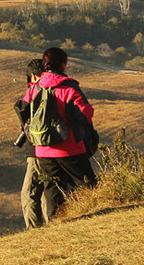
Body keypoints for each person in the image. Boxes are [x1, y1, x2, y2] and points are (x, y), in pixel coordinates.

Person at [22, 47, 96, 214]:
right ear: (63, 64)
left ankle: (57, 222)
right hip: (69, 147)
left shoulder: (35, 87)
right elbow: (86, 114)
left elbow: (24, 112)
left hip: (42, 149)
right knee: (88, 184)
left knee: (52, 190)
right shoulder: (69, 87)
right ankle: (92, 214)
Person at [15, 58, 48, 229]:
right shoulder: (59, 88)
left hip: (37, 149)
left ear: (33, 76)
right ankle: (54, 226)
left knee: (29, 194)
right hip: (58, 149)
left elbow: (23, 111)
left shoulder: (35, 91)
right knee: (47, 192)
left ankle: (35, 231)